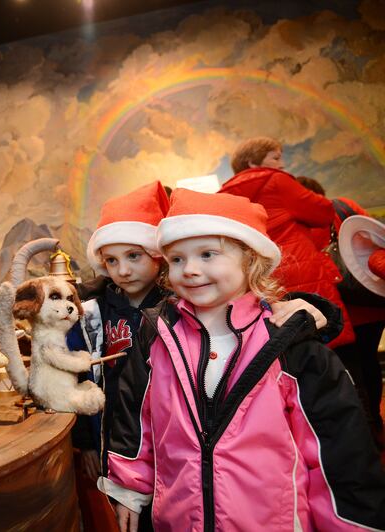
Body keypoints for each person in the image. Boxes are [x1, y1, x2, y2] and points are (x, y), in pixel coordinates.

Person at [101, 188, 385, 532]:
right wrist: (130, 486)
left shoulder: (290, 345)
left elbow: (336, 450)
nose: (189, 269)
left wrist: (350, 524)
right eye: (176, 259)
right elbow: (136, 417)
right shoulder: (157, 336)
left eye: (207, 254)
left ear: (251, 260)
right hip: (180, 519)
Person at [68, 181, 170, 532]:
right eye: (111, 260)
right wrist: (86, 443)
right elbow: (77, 376)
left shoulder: (176, 310)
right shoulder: (93, 315)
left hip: (164, 445)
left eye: (134, 256)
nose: (122, 270)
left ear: (158, 255)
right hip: (110, 441)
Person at [219, 137, 355, 349]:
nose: (282, 164)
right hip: (299, 267)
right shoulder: (277, 181)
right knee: (325, 338)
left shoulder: (225, 195)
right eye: (275, 158)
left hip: (260, 277)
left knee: (282, 345)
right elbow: (323, 212)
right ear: (253, 162)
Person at [295, 176, 385, 445]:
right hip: (369, 299)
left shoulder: (299, 223)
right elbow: (377, 237)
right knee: (368, 362)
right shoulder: (344, 207)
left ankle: (368, 428)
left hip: (342, 308)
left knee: (352, 368)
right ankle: (376, 424)